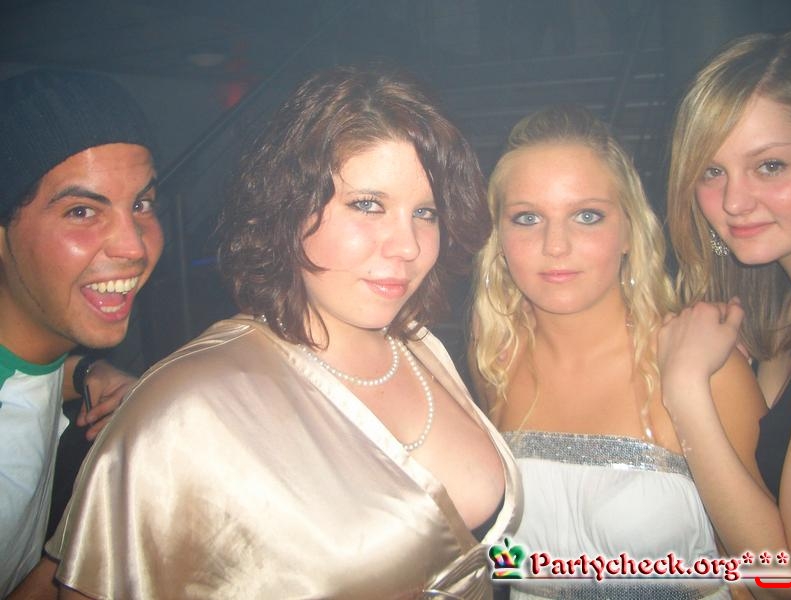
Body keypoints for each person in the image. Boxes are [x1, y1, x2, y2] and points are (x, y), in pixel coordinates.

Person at [42, 65, 520, 599]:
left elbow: (489, 554)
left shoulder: (423, 347)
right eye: (368, 205)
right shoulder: (186, 407)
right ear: (288, 207)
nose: (407, 246)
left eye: (425, 212)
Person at [470, 105, 765, 598]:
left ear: (630, 230)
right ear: (499, 240)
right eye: (527, 218)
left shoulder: (706, 368)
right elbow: (501, 560)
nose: (555, 245)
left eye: (587, 216)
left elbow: (773, 578)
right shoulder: (495, 361)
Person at [0, 68, 164, 596]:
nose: (133, 247)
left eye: (141, 204)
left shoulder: (32, 357)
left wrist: (86, 373)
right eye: (81, 211)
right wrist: (91, 533)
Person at [663, 30, 791, 596]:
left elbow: (784, 581)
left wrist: (684, 386)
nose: (734, 202)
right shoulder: (779, 308)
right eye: (711, 171)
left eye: (770, 166)